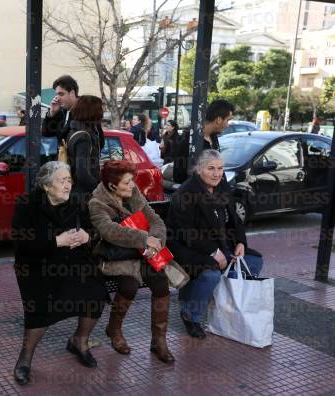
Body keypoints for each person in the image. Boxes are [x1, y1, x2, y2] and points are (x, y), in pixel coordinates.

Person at [11, 161, 108, 385]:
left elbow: (92, 229)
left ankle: (79, 342)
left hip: (73, 262)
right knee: (42, 306)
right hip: (37, 266)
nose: (68, 185)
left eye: (69, 180)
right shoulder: (27, 205)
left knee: (95, 293)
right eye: (62, 181)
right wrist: (57, 241)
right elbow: (22, 244)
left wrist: (87, 236)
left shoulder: (77, 201)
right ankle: (25, 359)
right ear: (46, 186)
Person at [165, 150, 263, 339]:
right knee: (211, 273)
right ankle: (190, 314)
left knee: (254, 262)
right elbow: (186, 232)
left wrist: (240, 242)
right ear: (199, 169)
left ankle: (221, 304)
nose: (217, 173)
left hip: (221, 245)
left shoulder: (222, 187)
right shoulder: (186, 193)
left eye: (220, 168)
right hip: (188, 248)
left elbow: (234, 219)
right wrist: (212, 251)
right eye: (211, 168)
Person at [89, 160, 175, 363]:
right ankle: (114, 330)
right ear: (112, 186)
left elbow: (155, 220)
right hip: (115, 257)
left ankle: (159, 341)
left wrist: (156, 243)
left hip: (142, 253)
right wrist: (145, 239)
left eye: (132, 181)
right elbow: (110, 232)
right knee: (130, 284)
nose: (132, 185)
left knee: (161, 281)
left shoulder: (133, 192)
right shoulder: (97, 203)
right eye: (127, 183)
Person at [173, 100, 234, 183]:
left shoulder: (213, 137)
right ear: (218, 120)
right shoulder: (188, 140)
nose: (227, 125)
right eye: (227, 120)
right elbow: (178, 176)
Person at [66, 95, 106, 197]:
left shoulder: (78, 130)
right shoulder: (84, 137)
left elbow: (100, 144)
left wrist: (97, 124)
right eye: (100, 109)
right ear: (93, 111)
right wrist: (99, 189)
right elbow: (82, 174)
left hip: (81, 192)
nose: (102, 113)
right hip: (85, 195)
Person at [42, 75, 79, 144]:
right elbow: (46, 133)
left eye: (61, 94)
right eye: (57, 94)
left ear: (72, 93)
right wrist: (52, 114)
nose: (57, 98)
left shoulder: (86, 112)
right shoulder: (61, 111)